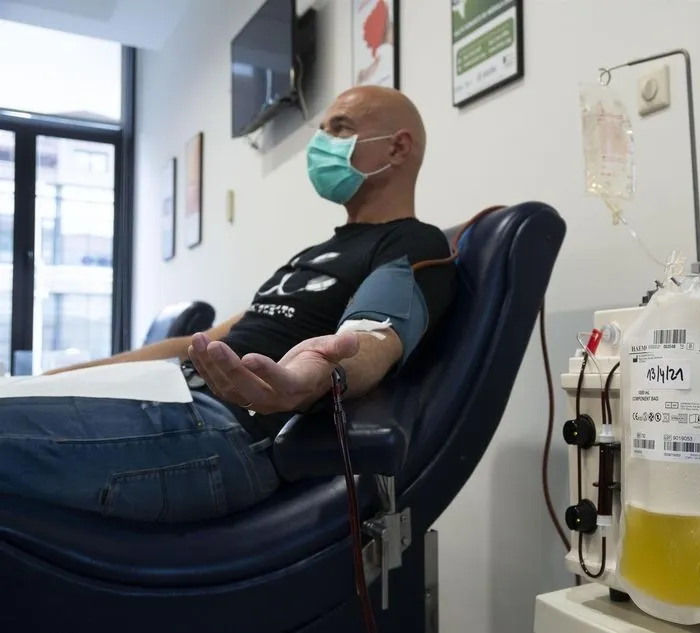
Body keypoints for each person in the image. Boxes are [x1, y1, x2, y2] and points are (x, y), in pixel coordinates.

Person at [0, 86, 457, 523]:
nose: (320, 144)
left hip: (228, 432)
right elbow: (198, 342)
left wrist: (316, 374)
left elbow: (374, 334)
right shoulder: (309, 257)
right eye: (320, 129)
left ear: (397, 148)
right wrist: (47, 380)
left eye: (339, 128)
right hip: (174, 397)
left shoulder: (411, 241)